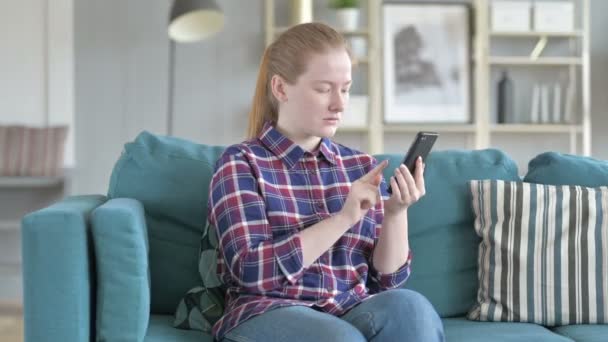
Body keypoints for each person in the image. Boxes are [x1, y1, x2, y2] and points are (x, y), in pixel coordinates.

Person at [207, 22, 445, 342]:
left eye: (345, 88)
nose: (339, 104)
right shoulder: (241, 164)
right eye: (323, 89)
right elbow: (252, 272)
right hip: (268, 310)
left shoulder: (360, 166)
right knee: (340, 338)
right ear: (281, 88)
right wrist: (344, 218)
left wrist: (395, 212)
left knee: (411, 308)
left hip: (350, 307)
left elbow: (387, 281)